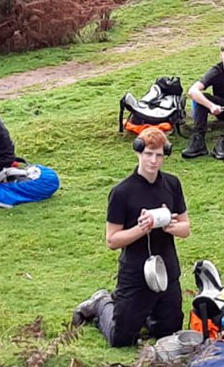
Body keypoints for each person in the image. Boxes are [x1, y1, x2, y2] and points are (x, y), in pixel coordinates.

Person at [72, 127, 192, 347]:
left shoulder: (172, 184)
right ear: (138, 152)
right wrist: (142, 228)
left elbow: (186, 229)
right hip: (135, 272)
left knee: (169, 332)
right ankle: (101, 303)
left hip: (166, 270)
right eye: (148, 154)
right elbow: (112, 240)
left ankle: (146, 314)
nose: (153, 161)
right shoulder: (122, 192)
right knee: (122, 339)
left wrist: (170, 226)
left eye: (158, 155)